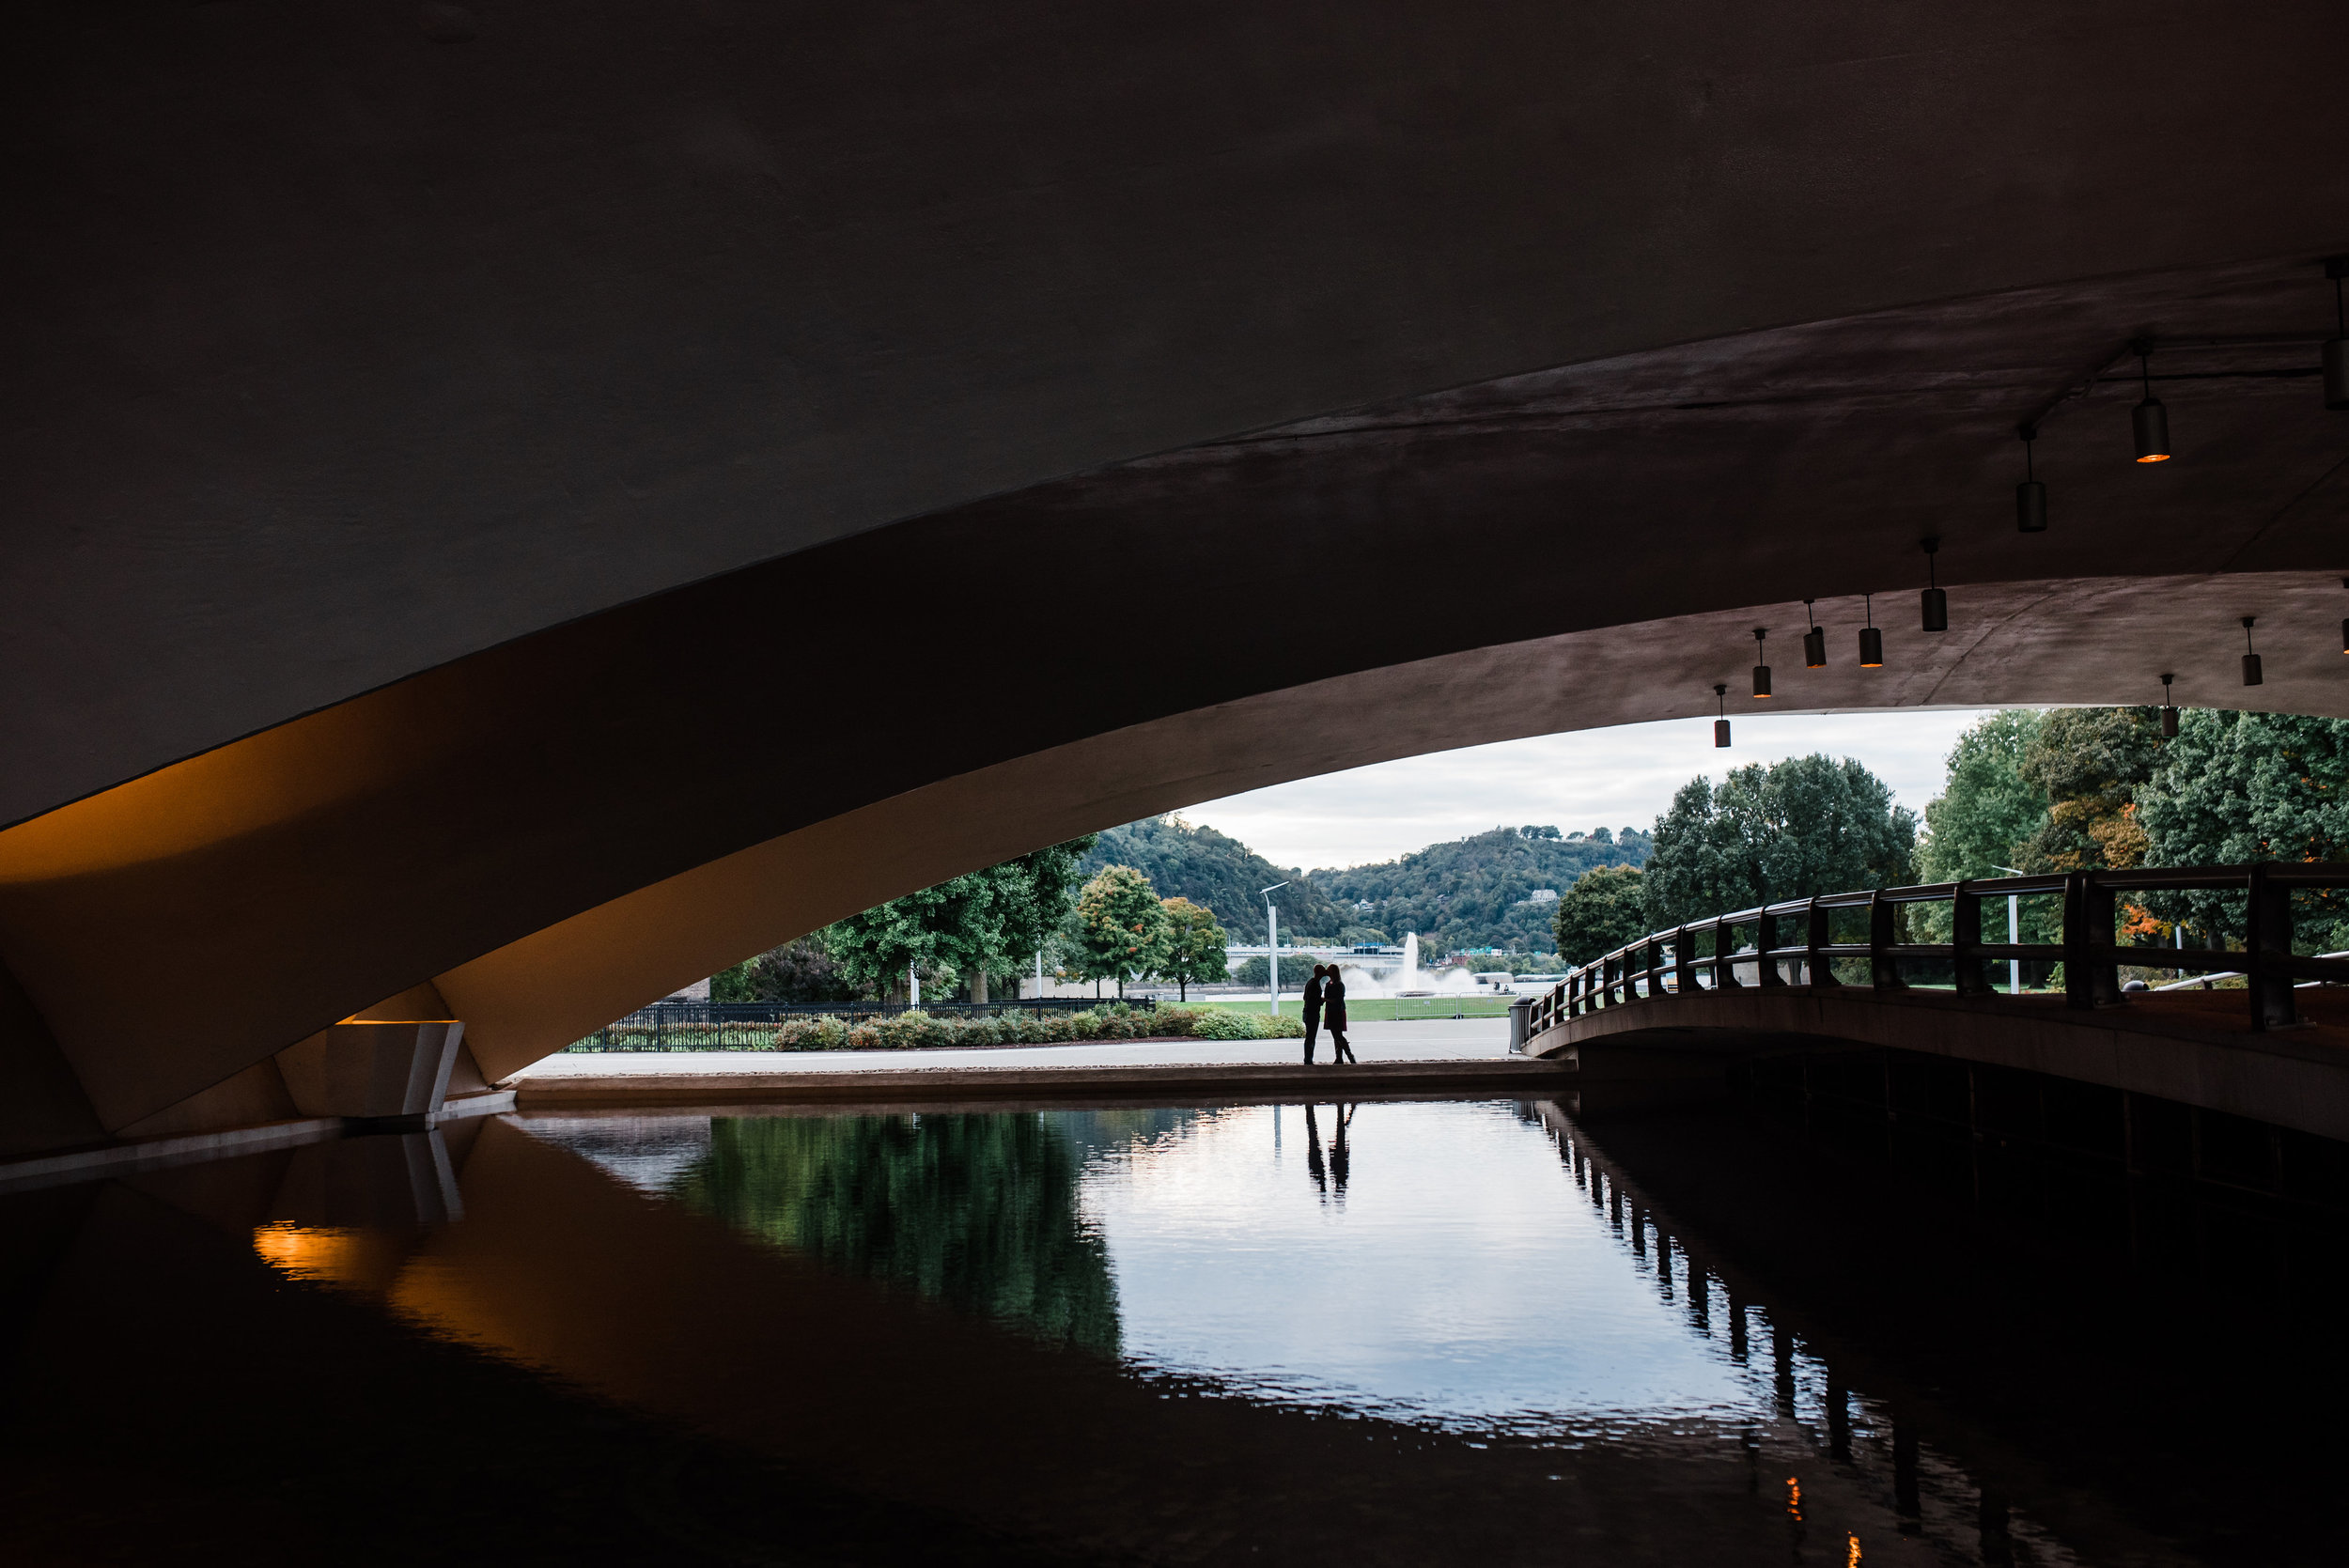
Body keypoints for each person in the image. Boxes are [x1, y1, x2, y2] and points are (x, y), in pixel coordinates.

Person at [1325, 968, 1355, 1063]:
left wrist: (1325, 1000)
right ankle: (1340, 1057)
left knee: (1337, 1035)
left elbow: (1338, 1000)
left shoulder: (1338, 985)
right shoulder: (1331, 984)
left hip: (1337, 1012)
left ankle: (1348, 1056)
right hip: (1331, 1011)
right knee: (1337, 1036)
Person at [1300, 962, 1327, 1064]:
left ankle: (1308, 1058)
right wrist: (1323, 1000)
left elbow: (1305, 997)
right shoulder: (1315, 984)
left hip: (1307, 1012)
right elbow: (1314, 1000)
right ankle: (1308, 1059)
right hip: (1312, 1013)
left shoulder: (1310, 982)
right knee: (1311, 1037)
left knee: (1309, 1037)